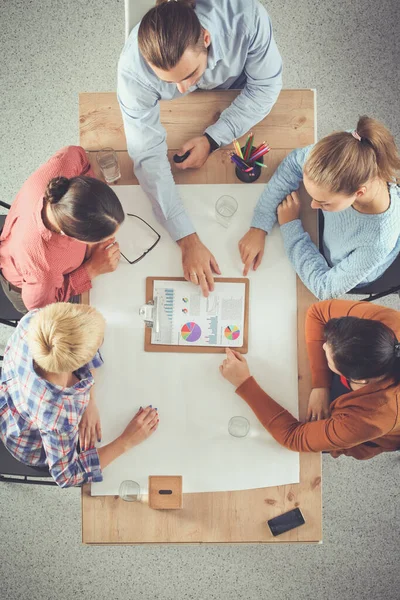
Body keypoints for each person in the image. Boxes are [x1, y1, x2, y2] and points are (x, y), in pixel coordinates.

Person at [118, 0, 282, 296]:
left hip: (238, 88)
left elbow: (265, 88)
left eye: (188, 75)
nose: (181, 90)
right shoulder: (133, 68)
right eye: (168, 81)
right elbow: (147, 154)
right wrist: (187, 239)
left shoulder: (247, 18)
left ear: (206, 38)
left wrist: (213, 138)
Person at [239, 116, 400, 300]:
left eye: (323, 203)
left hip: (343, 266)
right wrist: (260, 225)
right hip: (331, 236)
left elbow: (324, 287)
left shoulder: (377, 240)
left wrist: (291, 225)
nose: (313, 205)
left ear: (359, 193)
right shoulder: (351, 147)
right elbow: (294, 162)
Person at [0, 302, 159, 487]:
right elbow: (67, 476)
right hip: (31, 445)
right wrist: (126, 441)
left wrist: (89, 400)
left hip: (12, 401)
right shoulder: (58, 414)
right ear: (76, 364)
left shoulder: (36, 319)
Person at [220, 299, 400, 460]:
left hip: (375, 430)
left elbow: (293, 437)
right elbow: (317, 312)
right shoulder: (387, 326)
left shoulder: (372, 416)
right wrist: (321, 384)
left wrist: (244, 383)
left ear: (359, 380)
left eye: (329, 358)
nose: (322, 345)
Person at [0, 146, 125, 313]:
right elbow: (41, 310)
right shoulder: (43, 270)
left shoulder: (65, 167)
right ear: (73, 237)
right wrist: (92, 269)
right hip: (27, 289)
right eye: (99, 239)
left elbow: (78, 154)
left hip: (18, 237)